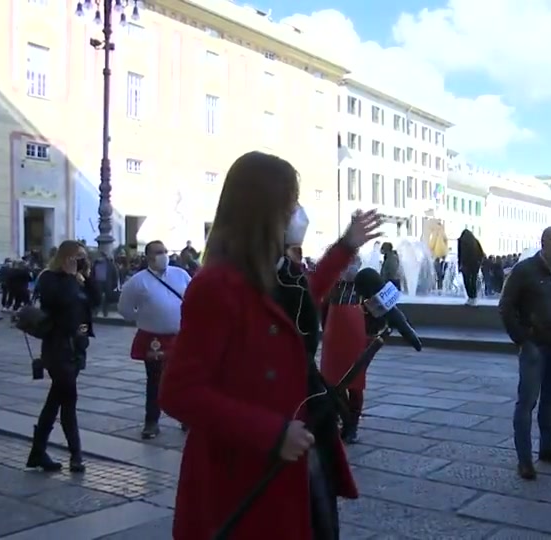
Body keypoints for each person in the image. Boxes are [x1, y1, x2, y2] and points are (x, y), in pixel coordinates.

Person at [158, 151, 381, 539]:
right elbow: (179, 393)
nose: (298, 213)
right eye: (290, 203)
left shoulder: (280, 273)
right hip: (244, 473)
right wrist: (271, 432)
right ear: (263, 210)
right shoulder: (216, 286)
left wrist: (346, 246)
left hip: (297, 461)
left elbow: (302, 303)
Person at [499, 226, 551, 481]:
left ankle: (548, 448)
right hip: (535, 347)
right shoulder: (524, 270)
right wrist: (523, 340)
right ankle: (525, 460)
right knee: (527, 402)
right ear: (544, 242)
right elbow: (506, 307)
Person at [26, 240, 100, 473]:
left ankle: (37, 453)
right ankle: (76, 455)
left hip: (77, 347)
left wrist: (87, 277)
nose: (79, 261)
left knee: (56, 399)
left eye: (83, 257)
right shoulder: (50, 278)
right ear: (64, 257)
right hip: (57, 346)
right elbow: (59, 302)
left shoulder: (78, 279)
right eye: (76, 256)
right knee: (68, 399)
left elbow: (96, 301)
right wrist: (69, 278)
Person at [117, 240, 192, 440]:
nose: (163, 255)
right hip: (153, 338)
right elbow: (125, 309)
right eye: (158, 252)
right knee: (155, 380)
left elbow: (193, 297)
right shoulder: (138, 281)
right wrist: (143, 318)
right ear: (148, 256)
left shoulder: (180, 275)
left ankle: (186, 417)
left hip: (180, 336)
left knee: (184, 378)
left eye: (165, 251)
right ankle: (152, 421)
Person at [320, 255, 379, 445]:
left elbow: (382, 308)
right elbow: (323, 310)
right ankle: (343, 420)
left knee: (354, 383)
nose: (349, 269)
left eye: (353, 264)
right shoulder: (332, 285)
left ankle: (351, 425)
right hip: (333, 340)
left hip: (356, 339)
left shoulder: (366, 283)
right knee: (332, 383)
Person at [457, 229, 484, 306]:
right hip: (474, 264)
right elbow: (481, 253)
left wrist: (460, 265)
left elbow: (460, 255)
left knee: (467, 281)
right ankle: (473, 298)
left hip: (466, 264)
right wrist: (479, 263)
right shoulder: (475, 241)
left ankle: (470, 297)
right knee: (473, 281)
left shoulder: (461, 241)